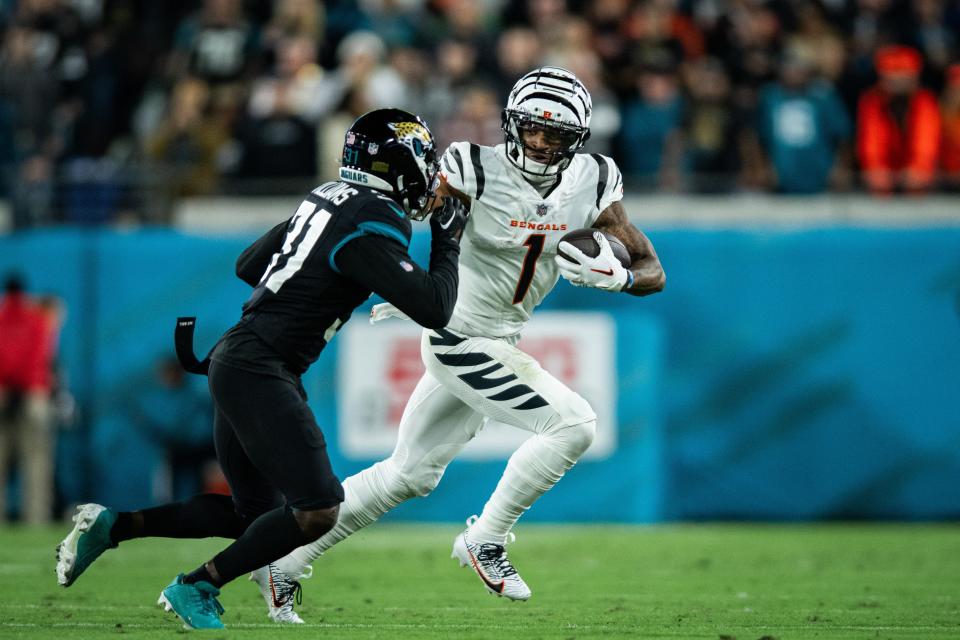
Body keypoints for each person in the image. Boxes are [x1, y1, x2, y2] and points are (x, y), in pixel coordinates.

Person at [255, 66, 665, 623]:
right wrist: (395, 279)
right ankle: (486, 540)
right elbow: (384, 209)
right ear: (510, 124)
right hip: (457, 334)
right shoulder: (472, 167)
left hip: (500, 336)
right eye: (531, 129)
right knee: (574, 425)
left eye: (557, 135)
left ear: (580, 140)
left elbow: (651, 268)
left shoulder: (594, 180)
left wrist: (617, 278)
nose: (541, 143)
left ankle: (283, 561)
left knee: (410, 474)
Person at [54, 108, 468, 630]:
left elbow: (249, 264)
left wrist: (320, 271)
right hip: (261, 365)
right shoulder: (374, 216)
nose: (429, 176)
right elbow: (433, 307)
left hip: (239, 356)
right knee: (319, 507)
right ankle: (196, 585)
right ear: (399, 165)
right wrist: (449, 241)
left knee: (254, 517)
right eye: (423, 163)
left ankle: (111, 526)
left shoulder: (326, 197)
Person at [0, 275, 61, 524]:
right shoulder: (37, 319)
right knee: (36, 460)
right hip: (34, 392)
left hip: (2, 390)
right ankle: (36, 517)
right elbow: (42, 355)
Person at [856, 45, 941, 195]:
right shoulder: (871, 101)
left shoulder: (925, 101)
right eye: (892, 78)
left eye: (904, 77)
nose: (898, 83)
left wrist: (920, 167)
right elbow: (870, 139)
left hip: (918, 179)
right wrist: (875, 168)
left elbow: (926, 140)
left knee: (919, 186)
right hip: (884, 178)